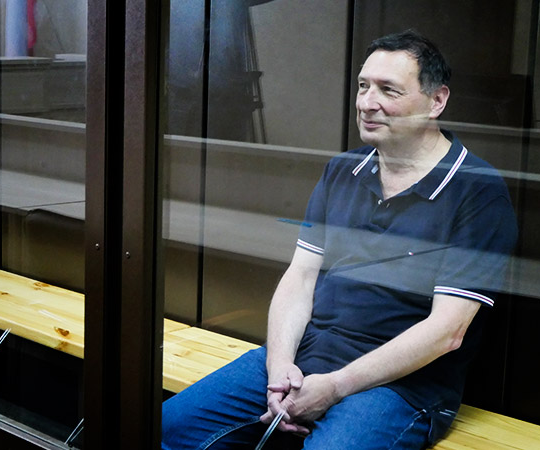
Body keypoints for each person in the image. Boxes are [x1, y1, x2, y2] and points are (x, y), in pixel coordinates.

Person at [161, 29, 518, 449]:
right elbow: (300, 277)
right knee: (166, 426)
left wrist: (335, 386)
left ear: (436, 101)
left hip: (401, 386)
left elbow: (446, 331)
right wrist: (279, 366)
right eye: (364, 86)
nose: (367, 102)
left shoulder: (477, 191)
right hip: (306, 355)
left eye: (388, 90)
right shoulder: (343, 170)